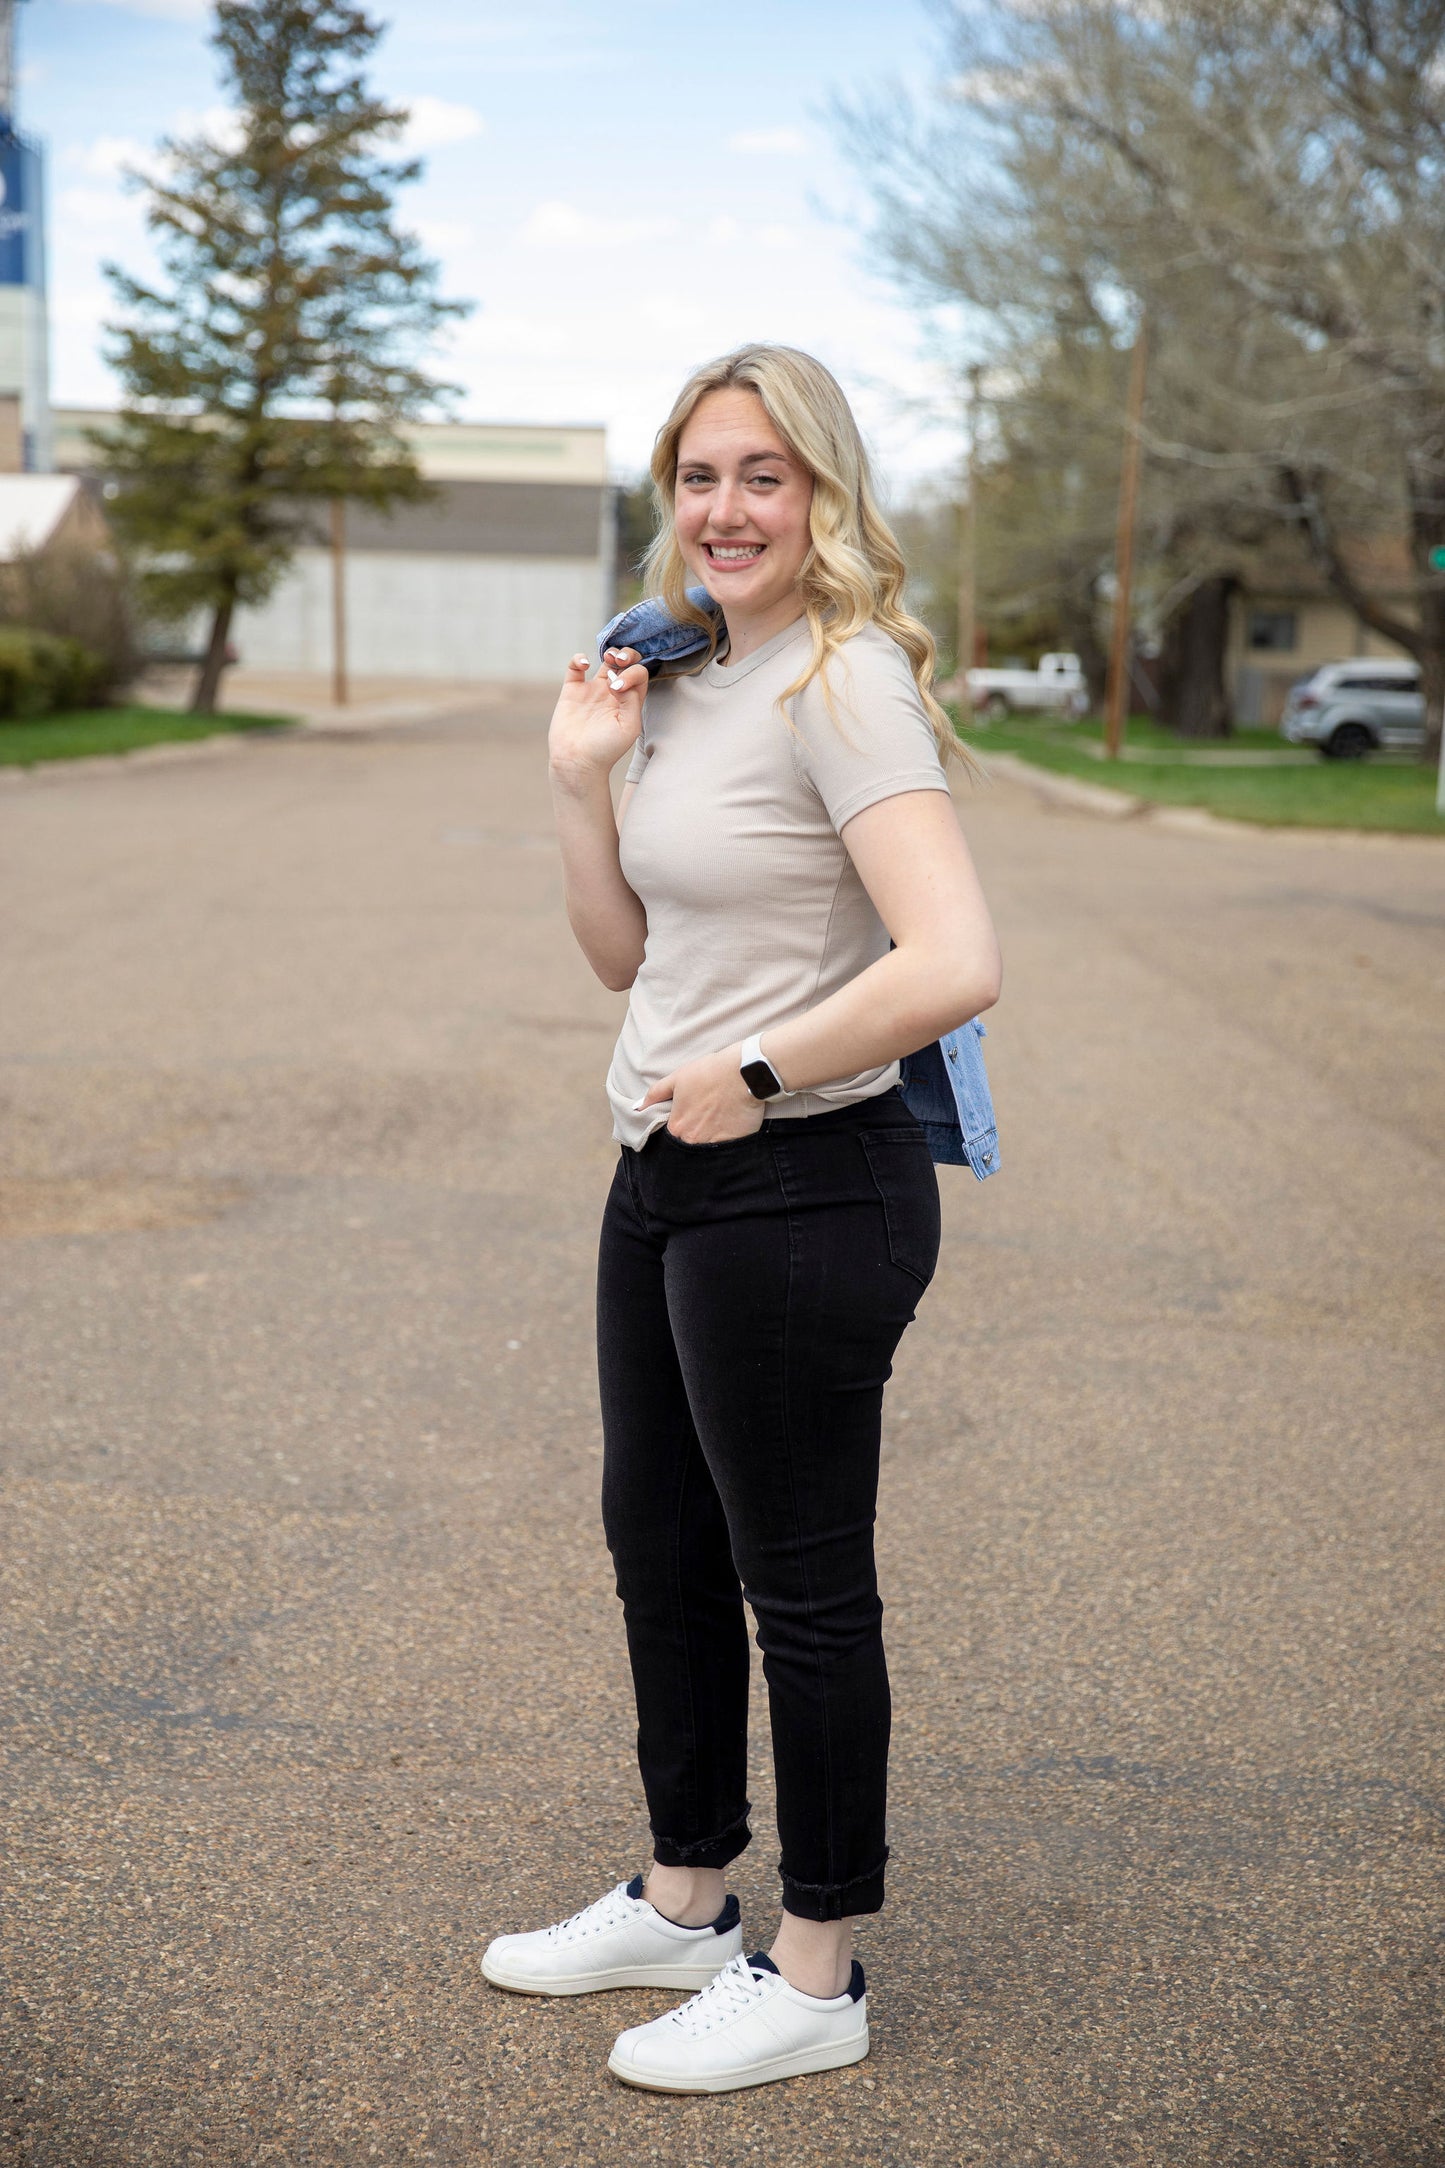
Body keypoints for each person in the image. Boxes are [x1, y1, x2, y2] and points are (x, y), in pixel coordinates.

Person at [481, 343, 1002, 2095]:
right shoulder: (680, 676)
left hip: (798, 1180)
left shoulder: (842, 685)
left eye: (763, 477)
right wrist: (577, 780)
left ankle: (816, 1971)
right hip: (662, 1174)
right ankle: (690, 1894)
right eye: (699, 477)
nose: (724, 510)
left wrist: (760, 1074)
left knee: (802, 1589)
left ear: (824, 496)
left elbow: (955, 959)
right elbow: (634, 956)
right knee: (661, 1548)